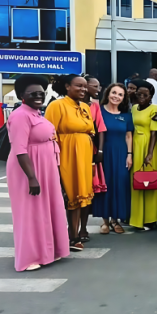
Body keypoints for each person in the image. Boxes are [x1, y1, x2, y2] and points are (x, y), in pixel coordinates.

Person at [6, 75, 70, 271]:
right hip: (29, 168)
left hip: (46, 166)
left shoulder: (36, 113)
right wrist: (32, 178)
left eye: (41, 93)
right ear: (22, 95)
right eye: (32, 94)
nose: (38, 97)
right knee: (30, 212)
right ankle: (29, 258)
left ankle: (49, 251)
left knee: (48, 209)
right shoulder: (20, 116)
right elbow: (19, 149)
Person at [45, 74, 95, 250]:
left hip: (84, 155)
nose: (83, 89)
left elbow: (91, 131)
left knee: (83, 193)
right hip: (67, 154)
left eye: (85, 86)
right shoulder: (57, 105)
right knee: (71, 194)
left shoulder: (85, 107)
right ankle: (72, 237)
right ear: (67, 86)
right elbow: (49, 134)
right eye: (78, 86)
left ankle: (79, 232)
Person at [93, 83, 133, 235]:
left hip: (121, 153)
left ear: (124, 98)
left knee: (120, 184)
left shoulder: (126, 115)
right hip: (104, 153)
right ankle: (105, 221)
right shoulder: (99, 111)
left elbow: (128, 136)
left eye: (120, 94)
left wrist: (129, 155)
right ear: (108, 94)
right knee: (105, 184)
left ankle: (115, 220)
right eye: (114, 93)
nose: (116, 96)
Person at [130, 79, 157, 230]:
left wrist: (149, 154)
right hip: (135, 145)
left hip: (149, 146)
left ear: (151, 96)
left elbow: (154, 133)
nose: (142, 97)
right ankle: (137, 218)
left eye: (145, 95)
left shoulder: (154, 109)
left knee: (150, 181)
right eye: (139, 94)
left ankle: (151, 218)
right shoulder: (134, 108)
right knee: (136, 181)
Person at [84, 76, 107, 197]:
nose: (98, 89)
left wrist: (100, 150)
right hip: (74, 145)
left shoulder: (95, 105)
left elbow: (101, 128)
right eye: (95, 86)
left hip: (90, 147)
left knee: (90, 180)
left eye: (99, 87)